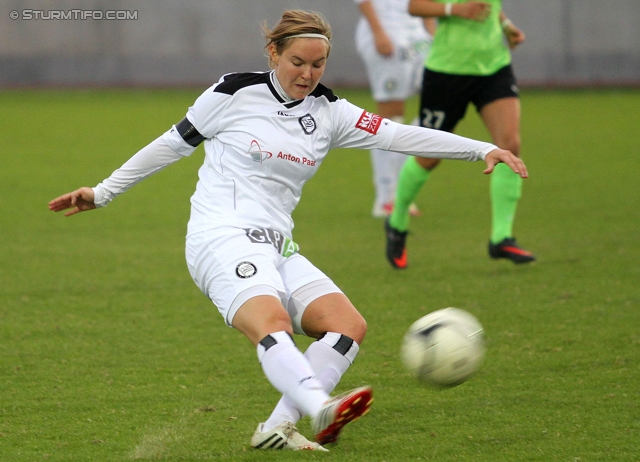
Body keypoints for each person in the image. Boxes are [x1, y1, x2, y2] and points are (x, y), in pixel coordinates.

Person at [48, 9, 528, 451]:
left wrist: (480, 149)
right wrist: (103, 191)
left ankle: (277, 426)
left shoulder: (329, 111)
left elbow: (398, 135)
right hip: (221, 235)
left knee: (347, 327)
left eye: (318, 64)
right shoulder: (233, 92)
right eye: (298, 61)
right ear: (273, 54)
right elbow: (171, 145)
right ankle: (321, 407)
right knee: (272, 324)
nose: (308, 74)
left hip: (278, 244)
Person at [385, 0, 535, 269]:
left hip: (493, 67)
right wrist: (454, 9)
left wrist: (506, 25)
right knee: (429, 156)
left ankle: (501, 237)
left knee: (509, 144)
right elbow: (415, 6)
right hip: (447, 72)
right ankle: (396, 222)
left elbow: (488, 6)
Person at [354, 0, 436, 218]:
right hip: (388, 31)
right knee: (391, 116)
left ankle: (399, 189)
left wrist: (430, 29)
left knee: (438, 106)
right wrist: (378, 32)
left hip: (418, 36)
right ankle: (386, 197)